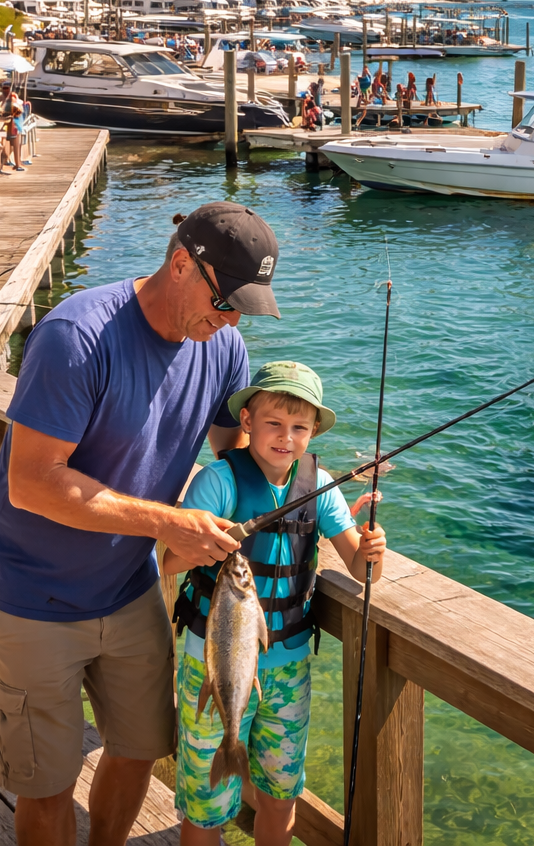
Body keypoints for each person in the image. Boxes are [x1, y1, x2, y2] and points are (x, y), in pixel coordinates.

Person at [0, 203, 281, 846]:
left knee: (141, 746)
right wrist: (168, 521)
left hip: (128, 585)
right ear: (181, 263)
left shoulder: (223, 347)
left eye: (244, 309)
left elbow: (234, 460)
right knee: (46, 783)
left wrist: (308, 485)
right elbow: (31, 481)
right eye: (225, 303)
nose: (231, 321)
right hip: (30, 594)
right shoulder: (76, 335)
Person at [165, 362, 386, 846]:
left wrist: (371, 552)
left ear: (312, 434)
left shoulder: (319, 486)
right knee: (205, 811)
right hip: (214, 665)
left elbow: (360, 567)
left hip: (288, 669)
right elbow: (167, 562)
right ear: (246, 421)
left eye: (299, 427)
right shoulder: (218, 483)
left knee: (281, 796)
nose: (286, 437)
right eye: (274, 423)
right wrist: (209, 543)